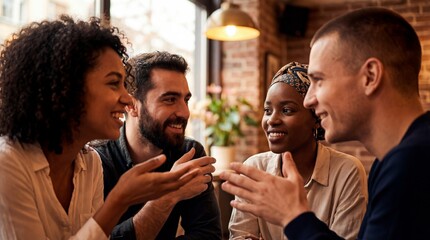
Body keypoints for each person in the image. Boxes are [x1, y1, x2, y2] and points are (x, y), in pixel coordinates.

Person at [220, 6, 430, 240]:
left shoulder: (412, 163)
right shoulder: (391, 162)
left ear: (370, 76)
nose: (310, 100)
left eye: (319, 80)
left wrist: (294, 217)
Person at [0, 16, 200, 239]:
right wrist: (119, 199)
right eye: (114, 83)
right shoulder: (7, 163)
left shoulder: (89, 163)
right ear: (68, 88)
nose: (127, 99)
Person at [228, 62, 367, 240]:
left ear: (316, 117)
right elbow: (240, 236)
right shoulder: (254, 168)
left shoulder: (347, 171)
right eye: (267, 110)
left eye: (287, 110)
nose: (272, 120)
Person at [94, 51, 222, 239]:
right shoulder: (96, 161)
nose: (184, 112)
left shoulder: (189, 153)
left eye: (185, 100)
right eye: (170, 99)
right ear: (131, 105)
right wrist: (169, 196)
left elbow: (208, 235)